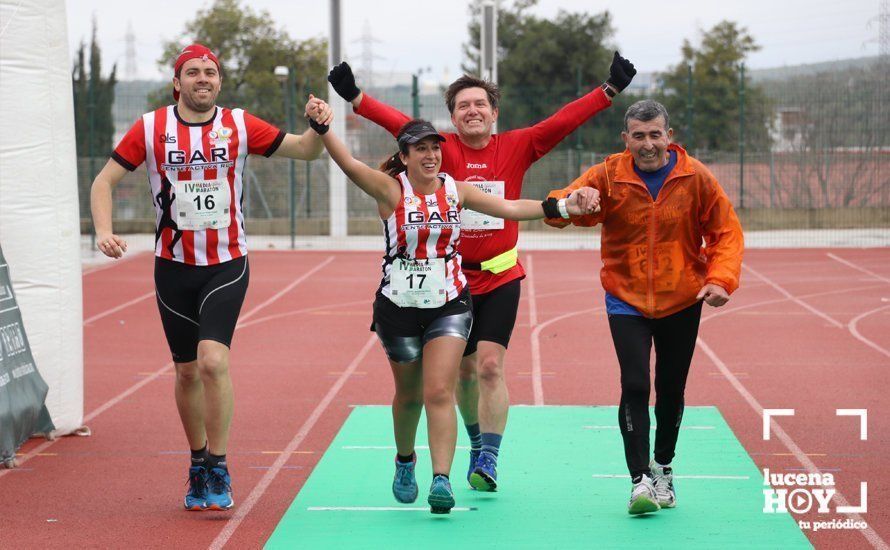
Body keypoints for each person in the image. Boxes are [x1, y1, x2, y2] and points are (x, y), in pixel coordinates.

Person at [327, 52, 636, 491]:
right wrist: (356, 97)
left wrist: (608, 91)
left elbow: (563, 121)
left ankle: (488, 456)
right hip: (450, 283)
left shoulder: (519, 144)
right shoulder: (438, 150)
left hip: (501, 276)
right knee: (464, 374)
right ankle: (472, 438)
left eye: (480, 104)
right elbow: (399, 124)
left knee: (491, 367)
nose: (472, 111)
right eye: (462, 106)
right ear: (452, 117)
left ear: (494, 113)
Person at [306, 103, 593, 513]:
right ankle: (405, 460)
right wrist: (323, 127)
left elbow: (511, 207)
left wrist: (563, 206)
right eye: (419, 149)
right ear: (404, 157)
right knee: (409, 396)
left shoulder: (457, 190)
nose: (430, 155)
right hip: (398, 306)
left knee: (439, 389)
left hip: (449, 304)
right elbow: (348, 163)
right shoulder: (390, 190)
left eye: (435, 148)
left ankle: (441, 479)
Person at [89, 44, 332, 512]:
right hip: (172, 267)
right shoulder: (150, 127)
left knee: (212, 362)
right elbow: (103, 181)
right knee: (185, 371)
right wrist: (104, 230)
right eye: (193, 72)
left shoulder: (239, 124)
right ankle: (198, 461)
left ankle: (218, 464)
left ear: (219, 82)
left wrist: (318, 127)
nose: (203, 79)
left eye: (211, 73)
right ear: (176, 83)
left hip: (226, 263)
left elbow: (305, 152)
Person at [544, 99, 744, 515]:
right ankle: (639, 482)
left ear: (669, 137)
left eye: (656, 135)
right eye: (639, 136)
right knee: (635, 384)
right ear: (626, 139)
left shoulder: (696, 178)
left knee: (671, 388)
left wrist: (720, 280)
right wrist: (573, 199)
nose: (648, 144)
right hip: (626, 299)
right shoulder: (608, 175)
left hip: (682, 299)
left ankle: (664, 468)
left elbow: (725, 233)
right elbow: (559, 208)